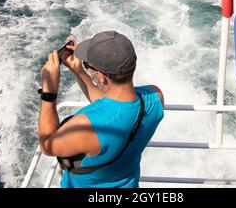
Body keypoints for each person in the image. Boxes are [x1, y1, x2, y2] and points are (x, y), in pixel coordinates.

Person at [38, 30, 164, 188]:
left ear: (100, 77)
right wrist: (79, 71)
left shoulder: (88, 126)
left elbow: (47, 146)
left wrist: (48, 93)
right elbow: (114, 104)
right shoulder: (156, 98)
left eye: (87, 65)